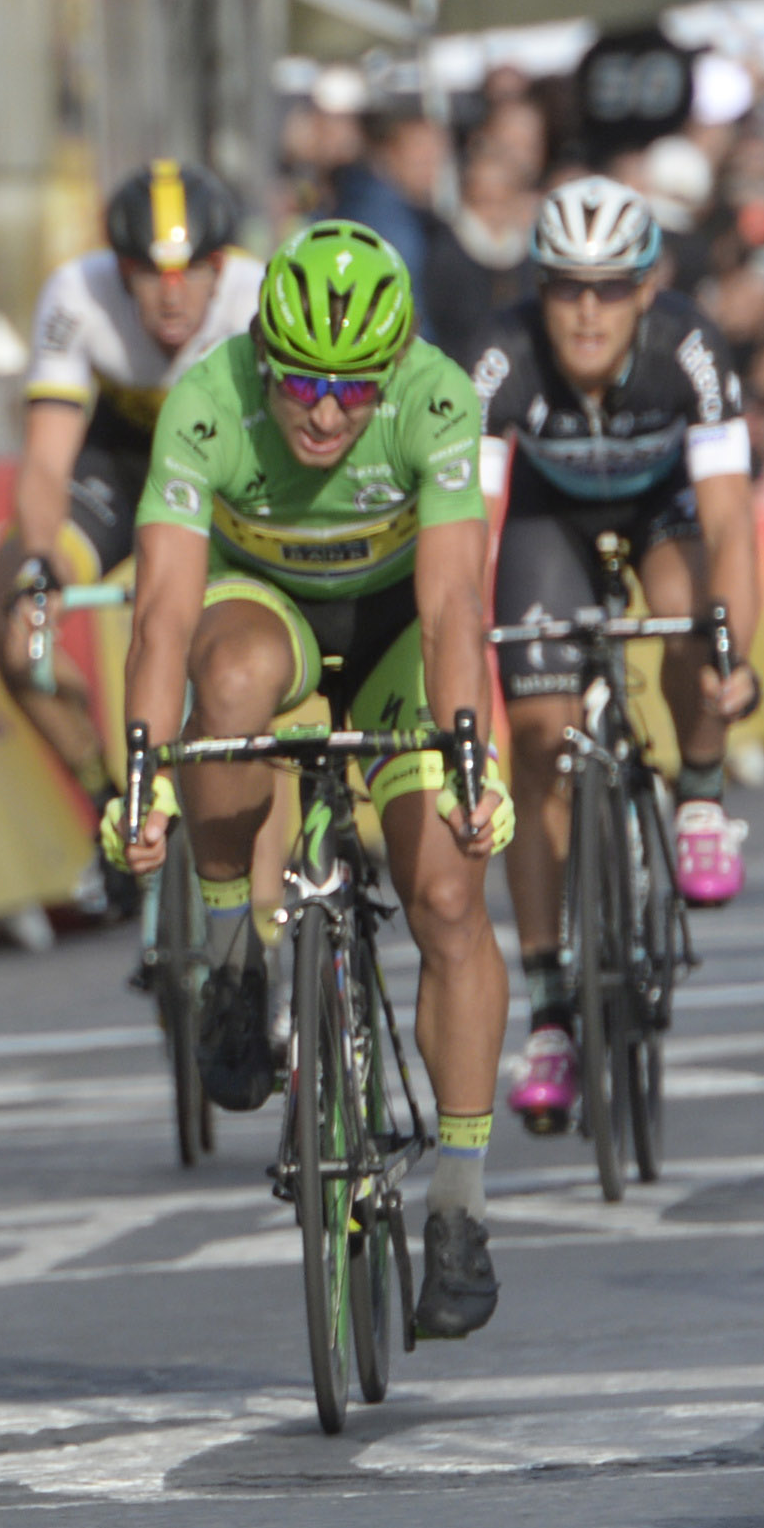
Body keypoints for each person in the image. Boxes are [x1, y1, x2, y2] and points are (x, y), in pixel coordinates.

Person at [114, 222, 513, 1337]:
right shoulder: (208, 401)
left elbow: (450, 607)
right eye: (299, 385)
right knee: (229, 681)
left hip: (394, 633)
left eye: (350, 390)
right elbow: (160, 616)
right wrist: (140, 777)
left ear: (389, 370)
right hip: (271, 613)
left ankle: (461, 1205)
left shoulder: (435, 396)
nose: (325, 414)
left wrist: (469, 753)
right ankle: (238, 953)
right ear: (262, 355)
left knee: (445, 895)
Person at [472, 178, 764, 1135]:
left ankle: (704, 794)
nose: (587, 311)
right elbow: (469, 530)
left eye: (609, 288)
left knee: (689, 612)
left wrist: (734, 656)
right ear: (539, 289)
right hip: (548, 523)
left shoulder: (689, 347)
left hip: (662, 511)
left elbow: (730, 521)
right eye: (565, 288)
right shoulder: (500, 355)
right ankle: (552, 1010)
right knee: (537, 732)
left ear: (647, 289)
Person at [0, 161, 262, 807]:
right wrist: (40, 568)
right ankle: (110, 802)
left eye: (191, 273)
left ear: (220, 268)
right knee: (13, 622)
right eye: (148, 276)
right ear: (120, 270)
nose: (172, 298)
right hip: (117, 464)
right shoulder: (77, 295)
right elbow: (48, 465)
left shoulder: (257, 298)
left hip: (222, 472)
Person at [332, 109, 499, 362]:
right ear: (389, 154)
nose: (431, 171)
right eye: (420, 158)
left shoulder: (394, 210)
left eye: (436, 159)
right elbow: (406, 318)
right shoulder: (392, 228)